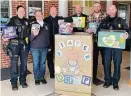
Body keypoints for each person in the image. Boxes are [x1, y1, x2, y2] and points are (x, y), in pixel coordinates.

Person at [97, 5, 130, 90]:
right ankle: (107, 81)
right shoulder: (104, 21)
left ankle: (115, 82)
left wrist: (127, 35)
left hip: (117, 47)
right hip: (106, 47)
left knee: (117, 64)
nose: (111, 11)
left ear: (116, 10)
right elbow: (98, 31)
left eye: (113, 9)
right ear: (108, 11)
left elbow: (128, 31)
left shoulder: (121, 20)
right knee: (106, 64)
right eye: (109, 9)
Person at [2, 5, 30, 90]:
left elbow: (30, 33)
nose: (22, 12)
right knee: (14, 64)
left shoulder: (27, 21)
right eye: (20, 11)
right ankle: (14, 83)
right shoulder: (12, 20)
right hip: (14, 45)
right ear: (17, 12)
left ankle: (22, 80)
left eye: (23, 11)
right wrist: (4, 36)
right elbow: (5, 30)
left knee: (24, 64)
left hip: (24, 45)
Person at [86, 2, 106, 83]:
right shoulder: (89, 17)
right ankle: (93, 77)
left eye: (98, 6)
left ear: (100, 7)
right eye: (95, 6)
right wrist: (87, 30)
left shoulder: (105, 16)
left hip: (104, 41)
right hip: (94, 41)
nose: (97, 8)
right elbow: (85, 28)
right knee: (94, 59)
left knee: (105, 59)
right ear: (93, 8)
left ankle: (106, 76)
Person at [30, 10, 49, 85]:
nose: (38, 16)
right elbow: (30, 38)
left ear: (42, 15)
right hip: (35, 48)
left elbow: (49, 36)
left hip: (44, 48)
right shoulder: (32, 25)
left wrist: (49, 45)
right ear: (35, 16)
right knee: (36, 64)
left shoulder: (46, 24)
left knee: (43, 63)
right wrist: (34, 35)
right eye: (37, 15)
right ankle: (37, 78)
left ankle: (42, 77)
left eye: (40, 14)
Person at [44, 7, 63, 79]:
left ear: (56, 11)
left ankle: (60, 71)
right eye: (51, 10)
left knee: (60, 56)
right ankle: (52, 73)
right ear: (49, 11)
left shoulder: (61, 19)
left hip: (59, 40)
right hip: (49, 41)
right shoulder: (45, 20)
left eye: (54, 10)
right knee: (50, 57)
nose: (53, 12)